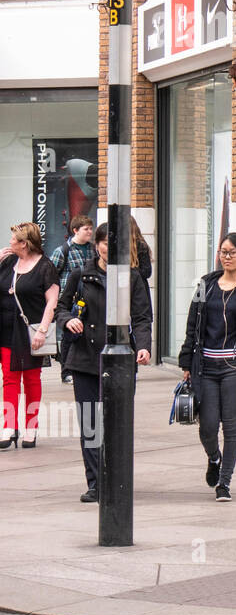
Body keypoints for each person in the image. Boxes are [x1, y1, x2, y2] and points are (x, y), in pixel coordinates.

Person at [55, 223, 152, 502]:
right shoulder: (80, 275)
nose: (108, 248)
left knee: (117, 421)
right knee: (90, 424)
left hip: (121, 360)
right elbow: (61, 307)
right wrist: (68, 319)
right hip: (85, 358)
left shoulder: (132, 278)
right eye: (104, 243)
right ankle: (96, 483)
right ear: (96, 244)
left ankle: (117, 478)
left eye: (114, 243)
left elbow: (143, 317)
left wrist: (143, 348)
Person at [178, 232, 236, 501]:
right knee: (206, 426)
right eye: (223, 252)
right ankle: (213, 458)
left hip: (234, 367)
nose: (226, 257)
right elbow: (192, 326)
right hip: (205, 366)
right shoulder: (205, 286)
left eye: (232, 252)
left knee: (231, 426)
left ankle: (224, 483)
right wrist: (185, 362)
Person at [0, 223, 59, 448]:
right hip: (6, 329)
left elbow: (51, 302)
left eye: (14, 240)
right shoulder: (7, 261)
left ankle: (31, 427)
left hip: (32, 330)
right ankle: (9, 427)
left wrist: (43, 330)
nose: (10, 243)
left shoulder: (45, 267)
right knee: (9, 378)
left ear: (24, 243)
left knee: (32, 379)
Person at [49, 214, 96, 384]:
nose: (90, 232)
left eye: (91, 228)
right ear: (75, 230)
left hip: (90, 300)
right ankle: (66, 371)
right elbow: (50, 275)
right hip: (71, 301)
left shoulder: (94, 249)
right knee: (69, 336)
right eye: (86, 229)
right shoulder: (63, 251)